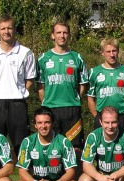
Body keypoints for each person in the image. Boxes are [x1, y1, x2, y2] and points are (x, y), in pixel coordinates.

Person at [0, 14, 36, 154]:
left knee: (22, 145)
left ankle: (24, 174)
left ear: (14, 29)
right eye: (2, 28)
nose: (6, 31)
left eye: (9, 28)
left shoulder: (26, 53)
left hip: (18, 104)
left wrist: (20, 93)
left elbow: (30, 79)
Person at [13, 107, 79, 181]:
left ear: (52, 123)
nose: (43, 126)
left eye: (47, 122)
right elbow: (22, 171)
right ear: (35, 125)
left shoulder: (63, 142)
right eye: (39, 123)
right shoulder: (27, 142)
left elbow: (71, 171)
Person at [37, 20, 88, 149]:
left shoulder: (77, 58)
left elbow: (83, 84)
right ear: (52, 35)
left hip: (72, 108)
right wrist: (46, 102)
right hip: (51, 108)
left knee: (75, 147)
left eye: (65, 32)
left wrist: (76, 98)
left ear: (69, 35)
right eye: (58, 32)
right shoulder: (43, 58)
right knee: (52, 147)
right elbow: (40, 86)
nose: (62, 35)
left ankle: (75, 170)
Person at [87, 38, 124, 133]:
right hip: (103, 119)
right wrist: (97, 116)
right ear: (102, 53)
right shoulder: (94, 72)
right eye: (108, 51)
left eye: (114, 51)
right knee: (103, 147)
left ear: (118, 51)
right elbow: (90, 98)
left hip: (123, 118)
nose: (111, 54)